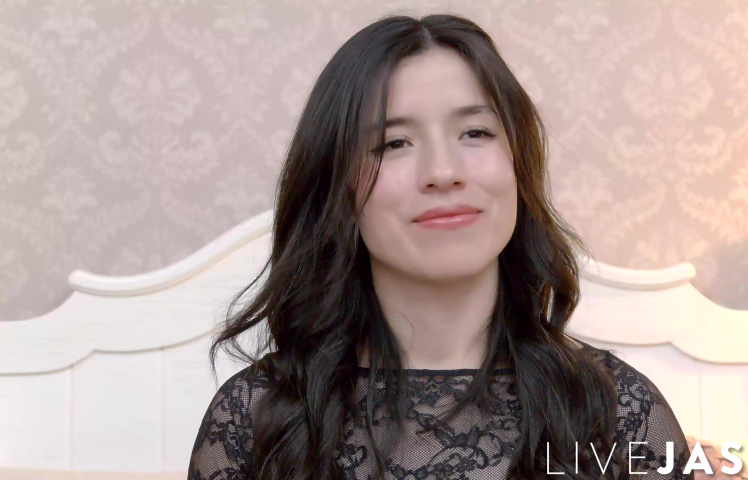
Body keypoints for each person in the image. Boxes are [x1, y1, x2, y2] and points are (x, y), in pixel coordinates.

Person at [187, 13, 693, 480]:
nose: (443, 172)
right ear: (338, 188)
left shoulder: (620, 412)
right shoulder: (253, 421)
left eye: (475, 132)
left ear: (518, 166)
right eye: (394, 143)